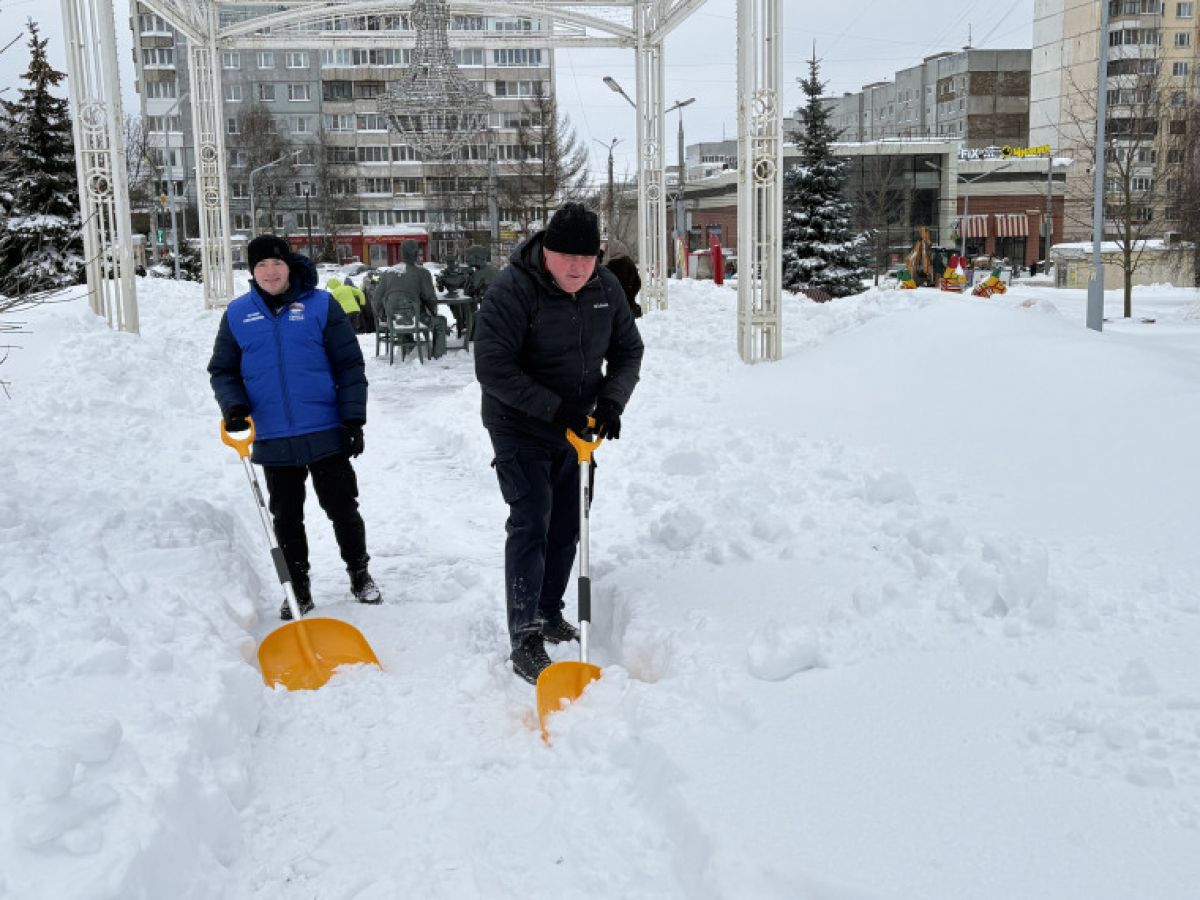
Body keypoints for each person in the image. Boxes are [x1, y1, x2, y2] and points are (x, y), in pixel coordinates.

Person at [473, 202, 644, 684]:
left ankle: (549, 610)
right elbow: (493, 369)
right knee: (531, 520)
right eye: (566, 256)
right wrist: (556, 408)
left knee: (569, 523)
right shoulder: (512, 290)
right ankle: (524, 634)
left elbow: (629, 350)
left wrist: (611, 402)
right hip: (518, 424)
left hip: (577, 428)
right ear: (545, 250)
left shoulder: (605, 288)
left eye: (587, 258)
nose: (576, 267)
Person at [208, 234, 383, 620]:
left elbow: (349, 365)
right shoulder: (238, 314)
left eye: (276, 264)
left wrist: (353, 418)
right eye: (261, 266)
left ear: (289, 266)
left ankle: (360, 574)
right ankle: (298, 589)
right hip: (273, 436)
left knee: (342, 507)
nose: (270, 272)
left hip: (325, 429)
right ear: (252, 272)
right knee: (286, 519)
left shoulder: (321, 306)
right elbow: (223, 370)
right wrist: (234, 406)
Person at [374, 240, 448, 359]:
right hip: (414, 317)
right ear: (416, 254)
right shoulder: (422, 273)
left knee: (401, 316)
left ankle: (409, 350)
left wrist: (383, 316)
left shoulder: (388, 273)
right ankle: (438, 358)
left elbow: (376, 299)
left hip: (394, 319)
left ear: (401, 254)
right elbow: (430, 298)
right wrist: (433, 312)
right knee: (441, 322)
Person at [602, 239, 642, 318]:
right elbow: (638, 283)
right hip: (629, 302)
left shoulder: (612, 264)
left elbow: (600, 274)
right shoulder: (630, 262)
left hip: (617, 303)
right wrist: (631, 293)